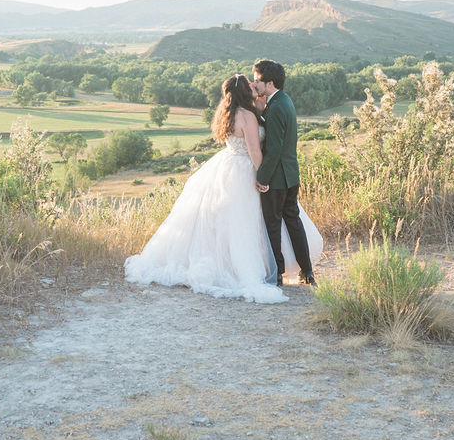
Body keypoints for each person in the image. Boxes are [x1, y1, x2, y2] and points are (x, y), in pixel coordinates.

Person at [124, 73, 321, 303]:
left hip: (227, 166)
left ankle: (233, 263)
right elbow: (255, 151)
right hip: (246, 168)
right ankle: (258, 268)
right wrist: (263, 177)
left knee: (230, 222)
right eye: (249, 86)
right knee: (251, 222)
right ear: (243, 92)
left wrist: (259, 107)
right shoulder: (247, 116)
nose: (253, 87)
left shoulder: (227, 113)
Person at [253, 59, 316, 287]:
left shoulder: (276, 107)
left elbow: (274, 148)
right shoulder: (284, 101)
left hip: (278, 178)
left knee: (273, 224)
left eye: (257, 80)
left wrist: (262, 178)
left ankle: (277, 273)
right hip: (291, 174)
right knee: (293, 222)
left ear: (269, 83)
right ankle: (307, 271)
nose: (254, 84)